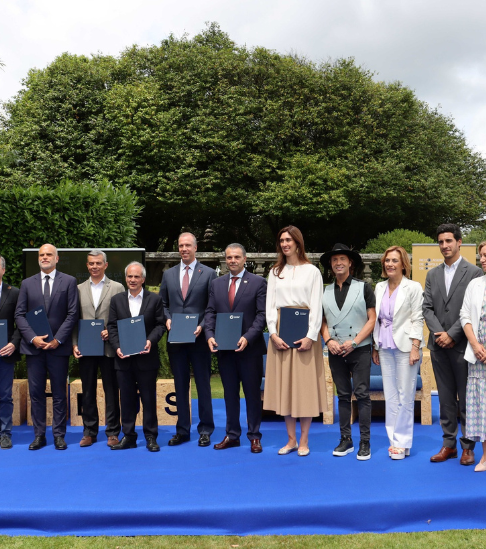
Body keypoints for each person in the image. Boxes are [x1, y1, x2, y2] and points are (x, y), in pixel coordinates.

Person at [263, 226, 327, 457]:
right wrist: (273, 333)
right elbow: (270, 305)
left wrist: (311, 336)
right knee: (286, 388)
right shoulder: (275, 272)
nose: (284, 244)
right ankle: (290, 440)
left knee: (304, 388)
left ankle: (304, 440)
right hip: (281, 331)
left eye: (289, 240)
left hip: (305, 331)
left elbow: (316, 305)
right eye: (281, 240)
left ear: (298, 243)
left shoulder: (312, 272)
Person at [423, 223, 482, 465]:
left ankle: (468, 446)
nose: (445, 246)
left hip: (462, 346)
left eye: (449, 241)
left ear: (459, 242)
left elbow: (471, 311)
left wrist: (453, 334)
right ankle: (449, 445)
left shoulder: (474, 273)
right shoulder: (432, 274)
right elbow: (426, 308)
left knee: (466, 397)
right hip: (438, 346)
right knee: (446, 398)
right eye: (441, 242)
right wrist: (440, 333)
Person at [15, 244, 78, 450]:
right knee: (36, 393)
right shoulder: (26, 284)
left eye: (48, 254)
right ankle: (39, 435)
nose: (44, 257)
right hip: (34, 349)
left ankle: (59, 434)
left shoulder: (69, 281)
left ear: (57, 258)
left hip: (58, 349)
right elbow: (20, 314)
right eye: (41, 255)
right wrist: (33, 338)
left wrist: (57, 340)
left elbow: (72, 314)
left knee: (60, 392)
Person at [205, 243, 267, 453]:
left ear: (244, 258)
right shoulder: (217, 284)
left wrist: (248, 337)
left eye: (236, 257)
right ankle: (232, 435)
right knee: (229, 394)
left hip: (250, 349)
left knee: (251, 394)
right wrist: (210, 335)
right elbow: (210, 312)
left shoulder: (258, 282)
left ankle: (254, 436)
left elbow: (262, 315)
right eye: (229, 257)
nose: (232, 261)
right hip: (224, 349)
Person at [160, 232, 216, 447]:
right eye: (180, 245)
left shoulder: (209, 273)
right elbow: (163, 304)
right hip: (176, 338)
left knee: (203, 384)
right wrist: (167, 319)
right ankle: (182, 430)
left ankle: (205, 429)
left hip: (199, 339)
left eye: (187, 245)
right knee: (180, 385)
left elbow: (211, 306)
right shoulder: (168, 274)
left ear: (195, 247)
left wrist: (203, 325)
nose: (184, 249)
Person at [321, 244, 376, 460]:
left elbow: (372, 319)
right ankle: (346, 439)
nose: (338, 263)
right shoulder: (325, 291)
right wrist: (328, 341)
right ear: (331, 265)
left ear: (350, 262)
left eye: (342, 259)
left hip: (359, 349)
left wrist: (355, 342)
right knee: (342, 395)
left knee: (362, 395)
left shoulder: (364, 287)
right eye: (334, 260)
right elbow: (322, 321)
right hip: (335, 350)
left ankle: (365, 441)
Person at [372, 246, 424, 460]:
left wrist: (415, 347)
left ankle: (402, 442)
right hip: (384, 346)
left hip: (405, 347)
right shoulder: (379, 287)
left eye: (394, 260)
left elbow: (417, 318)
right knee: (391, 395)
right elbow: (376, 318)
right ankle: (395, 440)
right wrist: (375, 347)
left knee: (405, 394)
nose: (390, 264)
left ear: (403, 264)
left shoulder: (413, 287)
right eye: (387, 260)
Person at [107, 262, 165, 452]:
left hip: (146, 359)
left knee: (148, 399)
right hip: (123, 359)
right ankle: (129, 436)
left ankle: (150, 437)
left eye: (136, 277)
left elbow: (160, 325)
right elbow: (112, 326)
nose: (132, 280)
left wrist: (150, 341)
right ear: (126, 278)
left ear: (143, 279)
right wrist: (116, 348)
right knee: (127, 400)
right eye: (129, 276)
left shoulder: (154, 300)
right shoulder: (116, 300)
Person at [73, 250, 124, 448]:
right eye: (91, 263)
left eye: (98, 263)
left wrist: (112, 333)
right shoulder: (77, 289)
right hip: (86, 348)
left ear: (106, 265)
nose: (94, 266)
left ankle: (112, 432)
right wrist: (75, 344)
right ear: (87, 265)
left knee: (111, 391)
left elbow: (123, 316)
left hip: (109, 348)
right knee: (88, 391)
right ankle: (89, 432)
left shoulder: (117, 287)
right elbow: (74, 320)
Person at [460, 241, 486, 471]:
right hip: (478, 354)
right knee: (482, 404)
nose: (483, 259)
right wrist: (476, 345)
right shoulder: (475, 284)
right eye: (481, 256)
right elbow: (465, 315)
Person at [0, 254, 21, 449]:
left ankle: (5, 433)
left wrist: (14, 343)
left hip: (5, 353)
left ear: (3, 270)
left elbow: (20, 323)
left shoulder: (13, 293)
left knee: (4, 395)